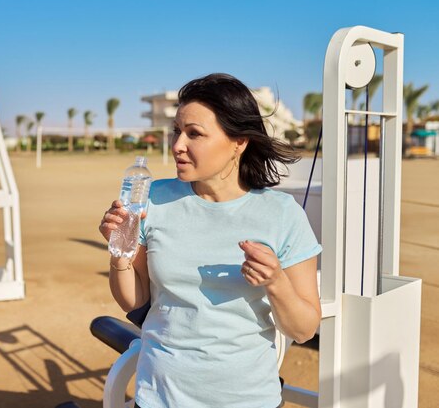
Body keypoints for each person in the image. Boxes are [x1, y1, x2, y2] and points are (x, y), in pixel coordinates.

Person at [99, 73, 322, 408]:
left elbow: (304, 329)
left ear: (239, 142)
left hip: (249, 398)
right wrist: (120, 253)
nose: (177, 145)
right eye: (176, 131)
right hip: (160, 395)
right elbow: (135, 300)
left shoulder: (282, 214)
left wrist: (276, 282)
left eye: (194, 134)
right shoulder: (152, 198)